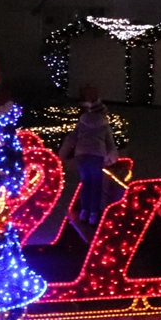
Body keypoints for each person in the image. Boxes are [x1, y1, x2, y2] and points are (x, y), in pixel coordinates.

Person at [59, 84, 119, 227]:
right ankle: (93, 214)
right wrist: (112, 157)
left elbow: (71, 139)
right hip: (97, 155)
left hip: (82, 154)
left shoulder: (82, 122)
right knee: (96, 184)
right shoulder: (104, 125)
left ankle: (84, 211)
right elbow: (110, 144)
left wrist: (62, 155)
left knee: (86, 182)